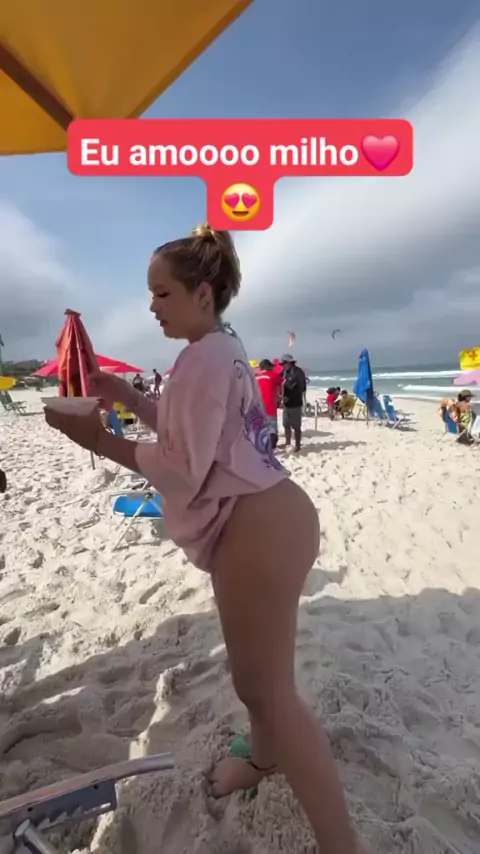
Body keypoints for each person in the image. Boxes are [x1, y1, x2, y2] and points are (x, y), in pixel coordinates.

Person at [43, 223, 367, 854]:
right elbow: (200, 435)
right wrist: (129, 396)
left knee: (271, 694)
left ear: (202, 292)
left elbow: (183, 468)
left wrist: (100, 440)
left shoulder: (201, 358)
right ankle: (265, 759)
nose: (152, 306)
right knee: (259, 683)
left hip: (255, 528)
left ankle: (343, 845)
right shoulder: (223, 346)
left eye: (162, 293)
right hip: (277, 513)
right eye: (151, 294)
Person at [281, 354, 306, 451]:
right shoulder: (284, 372)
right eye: (282, 364)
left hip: (295, 403)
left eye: (284, 363)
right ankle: (287, 442)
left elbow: (302, 388)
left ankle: (297, 445)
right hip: (286, 404)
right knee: (286, 424)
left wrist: (289, 387)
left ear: (290, 363)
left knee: (296, 426)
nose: (283, 365)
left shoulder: (298, 372)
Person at [256, 359, 282, 449]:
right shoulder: (273, 375)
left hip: (259, 407)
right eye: (271, 366)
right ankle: (272, 448)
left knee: (262, 428)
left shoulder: (256, 377)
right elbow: (283, 383)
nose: (272, 368)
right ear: (267, 367)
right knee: (272, 428)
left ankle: (263, 446)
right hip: (270, 406)